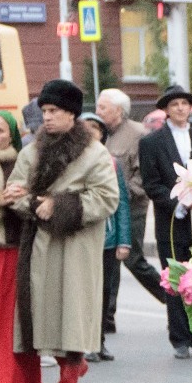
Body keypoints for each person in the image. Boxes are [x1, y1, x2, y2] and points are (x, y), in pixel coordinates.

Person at [5, 79, 119, 383]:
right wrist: (33, 204)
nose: (47, 117)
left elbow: (107, 197)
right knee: (40, 318)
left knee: (73, 316)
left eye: (54, 110)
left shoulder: (94, 153)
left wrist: (60, 206)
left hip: (76, 246)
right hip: (38, 245)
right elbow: (15, 191)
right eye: (44, 111)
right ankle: (71, 366)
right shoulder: (31, 151)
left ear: (71, 113)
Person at [138, 84, 192, 359]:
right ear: (166, 110)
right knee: (175, 278)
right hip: (171, 221)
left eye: (184, 103)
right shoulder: (151, 143)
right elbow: (151, 184)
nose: (181, 108)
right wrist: (178, 203)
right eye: (174, 104)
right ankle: (180, 338)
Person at [96, 88, 166, 309]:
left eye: (102, 107)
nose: (98, 112)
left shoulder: (138, 134)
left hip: (132, 207)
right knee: (110, 260)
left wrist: (123, 193)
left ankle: (172, 298)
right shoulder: (102, 134)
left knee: (132, 259)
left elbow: (144, 174)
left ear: (118, 110)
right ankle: (108, 313)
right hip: (107, 209)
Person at [78, 112, 130, 364]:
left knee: (104, 291)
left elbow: (121, 203)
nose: (91, 132)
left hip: (108, 239)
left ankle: (98, 341)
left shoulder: (112, 163)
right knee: (84, 292)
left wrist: (123, 240)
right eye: (85, 127)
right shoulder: (72, 161)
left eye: (96, 128)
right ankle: (83, 343)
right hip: (81, 237)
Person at [0, 109, 37, 383]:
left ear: (11, 134)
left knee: (10, 325)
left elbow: (36, 203)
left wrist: (21, 200)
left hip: (13, 252)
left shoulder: (23, 163)